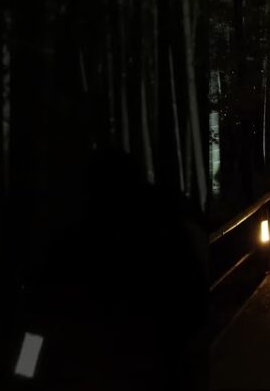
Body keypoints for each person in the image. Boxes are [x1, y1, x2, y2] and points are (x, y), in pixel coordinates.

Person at [22, 149, 204, 390]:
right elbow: (192, 312)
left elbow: (38, 324)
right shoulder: (165, 241)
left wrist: (23, 374)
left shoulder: (70, 249)